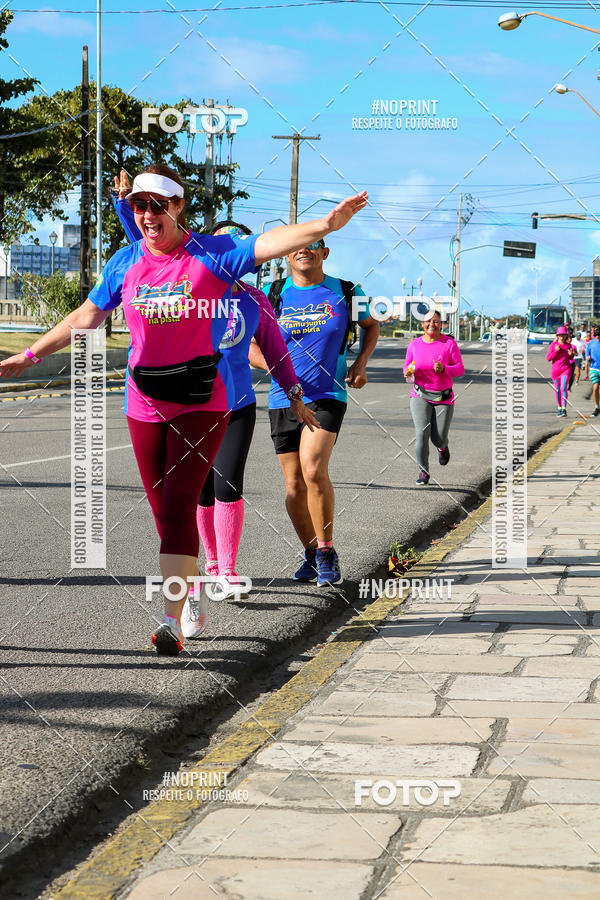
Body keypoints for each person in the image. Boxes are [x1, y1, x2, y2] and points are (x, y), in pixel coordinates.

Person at [0, 162, 368, 654]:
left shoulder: (213, 254)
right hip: (143, 403)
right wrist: (29, 355)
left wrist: (326, 224)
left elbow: (271, 243)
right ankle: (190, 587)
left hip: (201, 402)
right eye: (139, 205)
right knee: (162, 513)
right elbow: (87, 315)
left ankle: (171, 617)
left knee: (180, 506)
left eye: (158, 205)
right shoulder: (125, 261)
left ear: (177, 206)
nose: (148, 214)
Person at [111, 175, 319, 636]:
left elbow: (278, 352)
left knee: (225, 485)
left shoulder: (252, 301)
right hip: (176, 403)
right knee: (185, 504)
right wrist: (122, 202)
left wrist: (296, 396)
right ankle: (195, 580)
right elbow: (143, 241)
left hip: (234, 404)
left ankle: (225, 569)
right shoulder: (180, 279)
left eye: (232, 247)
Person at [248, 239, 379, 587]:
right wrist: (277, 370)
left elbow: (371, 326)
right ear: (288, 253)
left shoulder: (348, 291)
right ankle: (309, 553)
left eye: (314, 244)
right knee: (293, 486)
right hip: (282, 398)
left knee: (313, 469)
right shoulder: (270, 293)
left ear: (325, 252)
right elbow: (251, 343)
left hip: (326, 394)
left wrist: (360, 365)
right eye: (298, 245)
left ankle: (326, 552)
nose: (304, 249)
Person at [403, 309, 465, 485]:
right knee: (422, 433)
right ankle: (423, 471)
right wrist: (407, 371)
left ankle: (443, 447)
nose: (432, 324)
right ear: (423, 324)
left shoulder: (449, 344)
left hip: (443, 398)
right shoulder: (414, 344)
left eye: (436, 321)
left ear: (442, 324)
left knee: (438, 437)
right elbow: (407, 365)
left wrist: (445, 368)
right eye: (428, 321)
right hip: (419, 394)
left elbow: (460, 369)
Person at [546, 325, 575, 417]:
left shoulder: (568, 345)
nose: (562, 337)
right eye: (560, 335)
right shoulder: (553, 345)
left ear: (566, 336)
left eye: (563, 335)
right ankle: (559, 408)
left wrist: (571, 355)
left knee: (563, 388)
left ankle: (564, 409)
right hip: (555, 371)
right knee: (558, 390)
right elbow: (548, 358)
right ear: (557, 336)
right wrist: (555, 351)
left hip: (566, 370)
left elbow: (570, 357)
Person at [585, 325, 600, 417]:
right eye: (596, 335)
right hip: (594, 368)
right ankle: (596, 407)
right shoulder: (591, 342)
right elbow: (587, 352)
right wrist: (587, 357)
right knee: (595, 388)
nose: (598, 337)